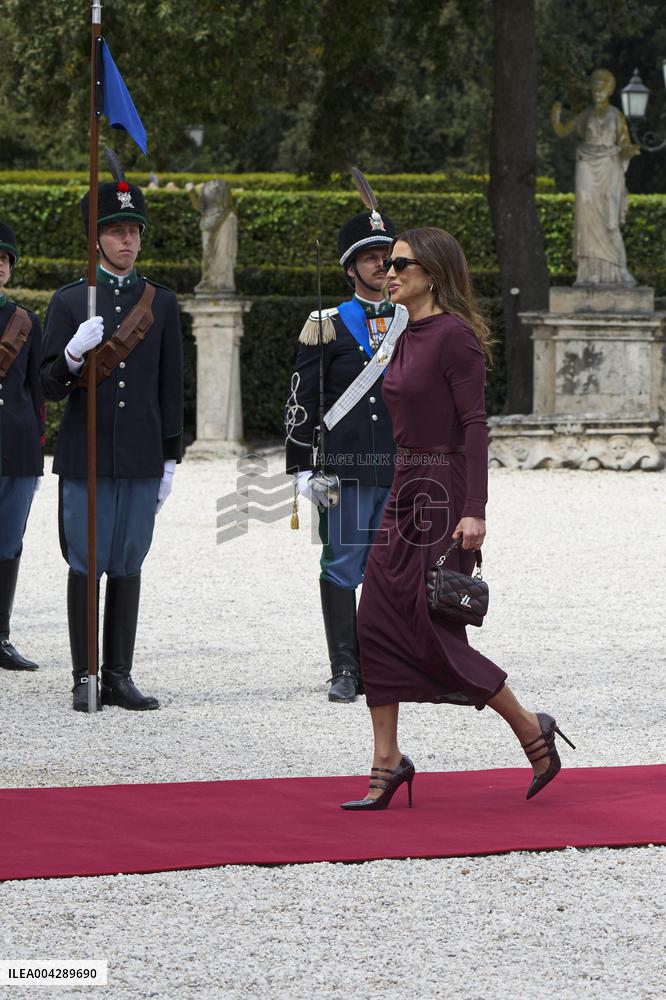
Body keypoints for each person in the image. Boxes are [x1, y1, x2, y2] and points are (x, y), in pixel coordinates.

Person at [340, 228, 575, 810]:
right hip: (404, 486)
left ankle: (529, 726)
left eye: (400, 264)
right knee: (373, 618)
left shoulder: (455, 339)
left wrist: (475, 511)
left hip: (444, 490)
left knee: (431, 624)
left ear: (433, 274)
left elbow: (475, 425)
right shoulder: (404, 333)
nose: (388, 272)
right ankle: (387, 759)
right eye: (388, 264)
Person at [41, 180, 184, 712]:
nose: (127, 241)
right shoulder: (71, 300)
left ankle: (119, 675)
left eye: (133, 231)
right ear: (96, 238)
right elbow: (49, 387)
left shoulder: (161, 303)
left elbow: (172, 387)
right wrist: (73, 356)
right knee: (86, 559)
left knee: (128, 559)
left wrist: (170, 458)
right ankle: (85, 676)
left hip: (142, 455)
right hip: (87, 454)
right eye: (116, 231)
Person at [285, 207, 401, 703]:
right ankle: (345, 669)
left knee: (393, 567)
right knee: (342, 565)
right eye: (370, 258)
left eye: (387, 257)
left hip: (401, 467)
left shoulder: (411, 321)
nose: (381, 266)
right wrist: (301, 468)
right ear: (350, 268)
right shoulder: (326, 323)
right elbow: (300, 399)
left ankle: (384, 662)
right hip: (347, 469)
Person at [0, 221, 43, 672]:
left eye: (3, 259)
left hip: (16, 450)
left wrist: (36, 444)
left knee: (9, 543)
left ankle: (1, 635)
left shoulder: (26, 322)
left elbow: (37, 392)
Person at [551, 68, 639, 286]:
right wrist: (555, 116)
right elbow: (563, 131)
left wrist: (629, 151)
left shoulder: (616, 115)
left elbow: (624, 143)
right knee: (586, 217)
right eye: (594, 89)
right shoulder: (585, 115)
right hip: (587, 165)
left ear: (609, 90)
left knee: (610, 221)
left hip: (609, 165)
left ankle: (619, 269)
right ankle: (589, 272)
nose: (597, 92)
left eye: (602, 89)